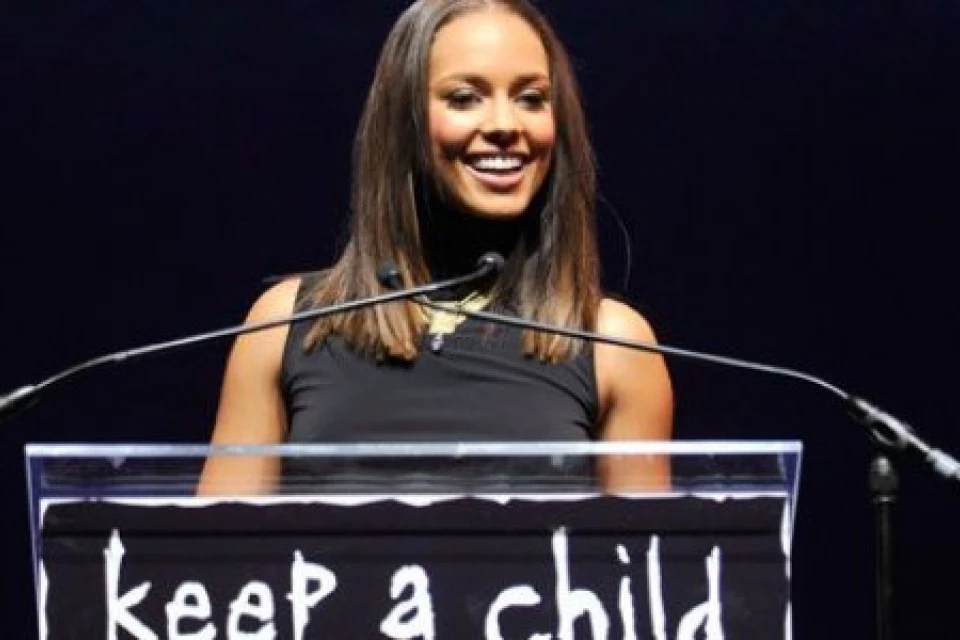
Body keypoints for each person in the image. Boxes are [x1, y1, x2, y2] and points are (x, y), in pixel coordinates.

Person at [197, 0, 673, 495]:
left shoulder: (615, 346)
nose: (506, 124)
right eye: (465, 98)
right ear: (403, 123)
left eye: (531, 98)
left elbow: (642, 546)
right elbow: (217, 543)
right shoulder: (283, 327)